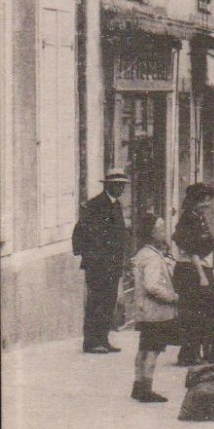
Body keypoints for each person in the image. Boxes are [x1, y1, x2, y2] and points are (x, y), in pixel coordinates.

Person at [73, 170, 130, 354]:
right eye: (117, 184)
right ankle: (91, 342)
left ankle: (103, 340)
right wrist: (91, 257)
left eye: (122, 184)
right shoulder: (95, 205)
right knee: (96, 302)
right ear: (107, 185)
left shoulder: (116, 205)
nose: (120, 188)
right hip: (98, 265)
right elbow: (82, 232)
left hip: (112, 264)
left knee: (108, 302)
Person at [128, 213, 181, 403]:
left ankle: (138, 385)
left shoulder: (144, 253)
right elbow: (152, 286)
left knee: (144, 348)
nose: (164, 232)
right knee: (153, 350)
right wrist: (173, 297)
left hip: (146, 311)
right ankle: (146, 389)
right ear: (151, 233)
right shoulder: (152, 258)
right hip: (156, 312)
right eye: (160, 229)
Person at [171, 183, 214, 366]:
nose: (207, 204)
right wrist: (202, 276)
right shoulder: (189, 219)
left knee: (200, 314)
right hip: (191, 271)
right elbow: (192, 251)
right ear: (195, 201)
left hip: (199, 269)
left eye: (208, 200)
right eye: (204, 200)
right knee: (192, 315)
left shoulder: (199, 217)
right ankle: (189, 354)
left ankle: (194, 351)